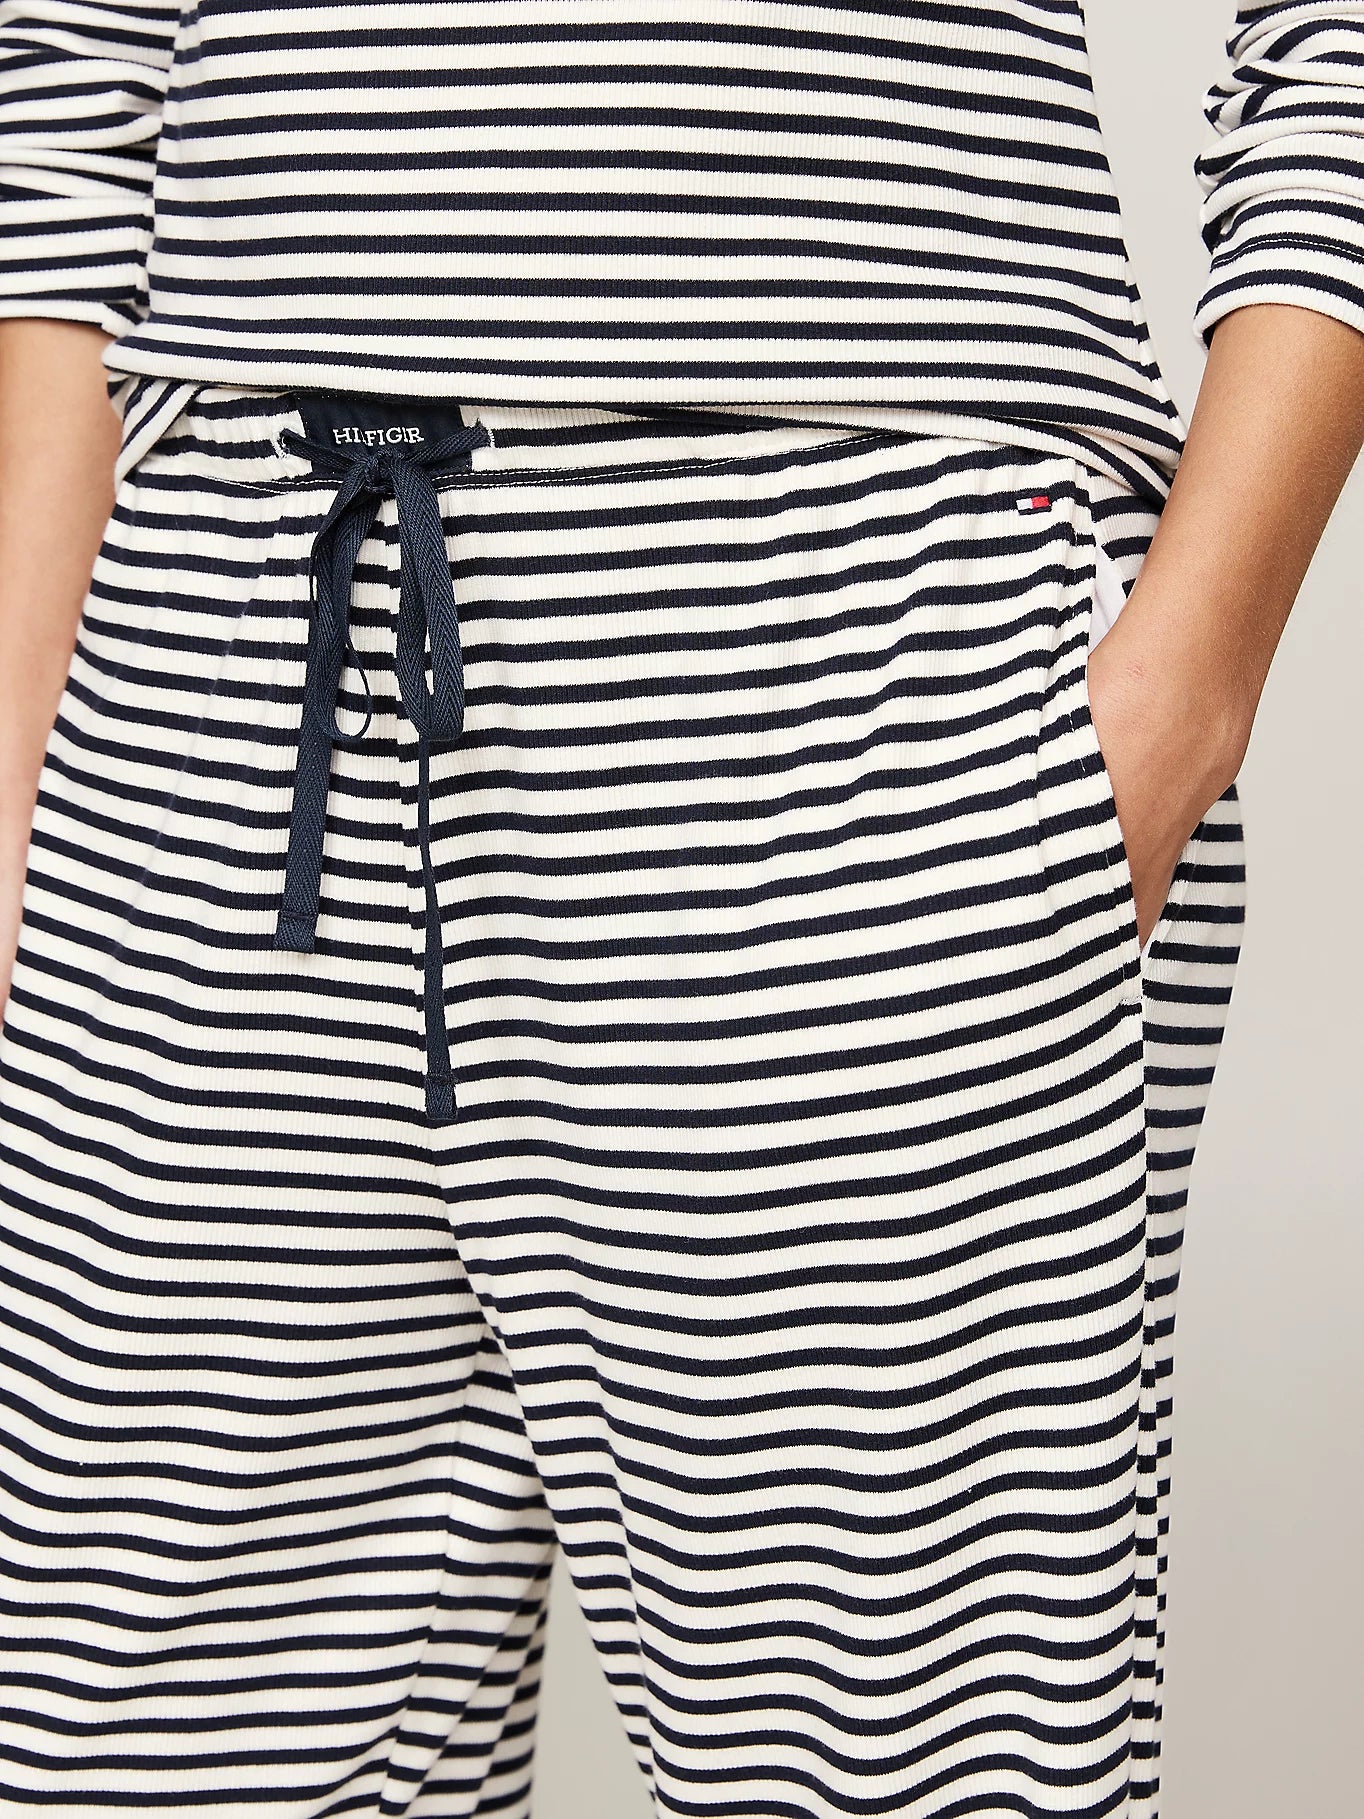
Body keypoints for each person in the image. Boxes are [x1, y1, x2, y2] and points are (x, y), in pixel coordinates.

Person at [0, 3, 1360, 1814]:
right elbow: (73, 62)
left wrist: (1185, 686)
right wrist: (27, 765)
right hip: (214, 641)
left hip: (854, 636)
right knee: (139, 1755)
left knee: (895, 1759)